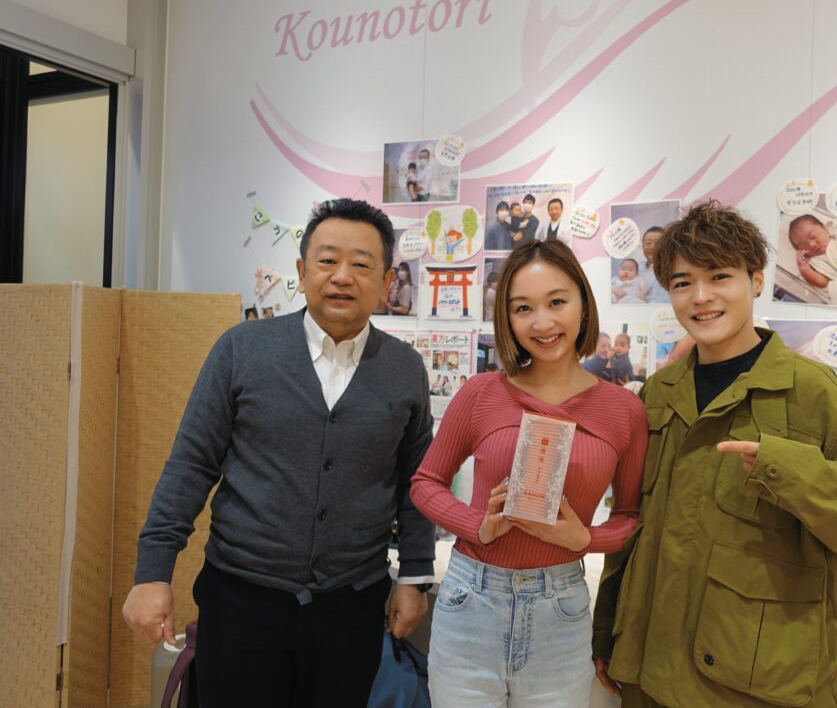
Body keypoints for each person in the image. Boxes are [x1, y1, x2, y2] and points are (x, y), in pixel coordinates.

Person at [593, 200, 837, 708]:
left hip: (751, 680)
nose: (701, 297)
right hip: (649, 670)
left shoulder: (808, 388)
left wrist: (790, 471)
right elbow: (632, 521)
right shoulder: (658, 393)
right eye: (682, 283)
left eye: (719, 276)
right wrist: (606, 630)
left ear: (757, 279)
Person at [122, 198, 436, 708]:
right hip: (241, 599)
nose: (342, 276)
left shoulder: (404, 369)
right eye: (327, 260)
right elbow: (191, 465)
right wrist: (153, 571)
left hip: (351, 607)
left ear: (385, 282)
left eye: (361, 265)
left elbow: (416, 480)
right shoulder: (241, 349)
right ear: (302, 271)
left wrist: (415, 578)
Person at [411, 239, 648, 708]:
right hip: (470, 602)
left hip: (560, 608)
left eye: (557, 302)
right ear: (507, 318)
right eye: (523, 308)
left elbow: (631, 516)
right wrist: (477, 525)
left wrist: (585, 539)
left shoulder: (624, 409)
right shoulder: (481, 393)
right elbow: (426, 482)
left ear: (583, 303)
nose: (542, 323)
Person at [788, 213, 837, 289]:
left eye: (813, 236)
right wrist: (804, 268)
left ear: (824, 228)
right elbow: (823, 283)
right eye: (804, 245)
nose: (812, 245)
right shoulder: (817, 262)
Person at [640, 227, 669, 303]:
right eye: (648, 243)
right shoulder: (635, 267)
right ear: (642, 247)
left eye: (657, 243)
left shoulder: (674, 269)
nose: (652, 247)